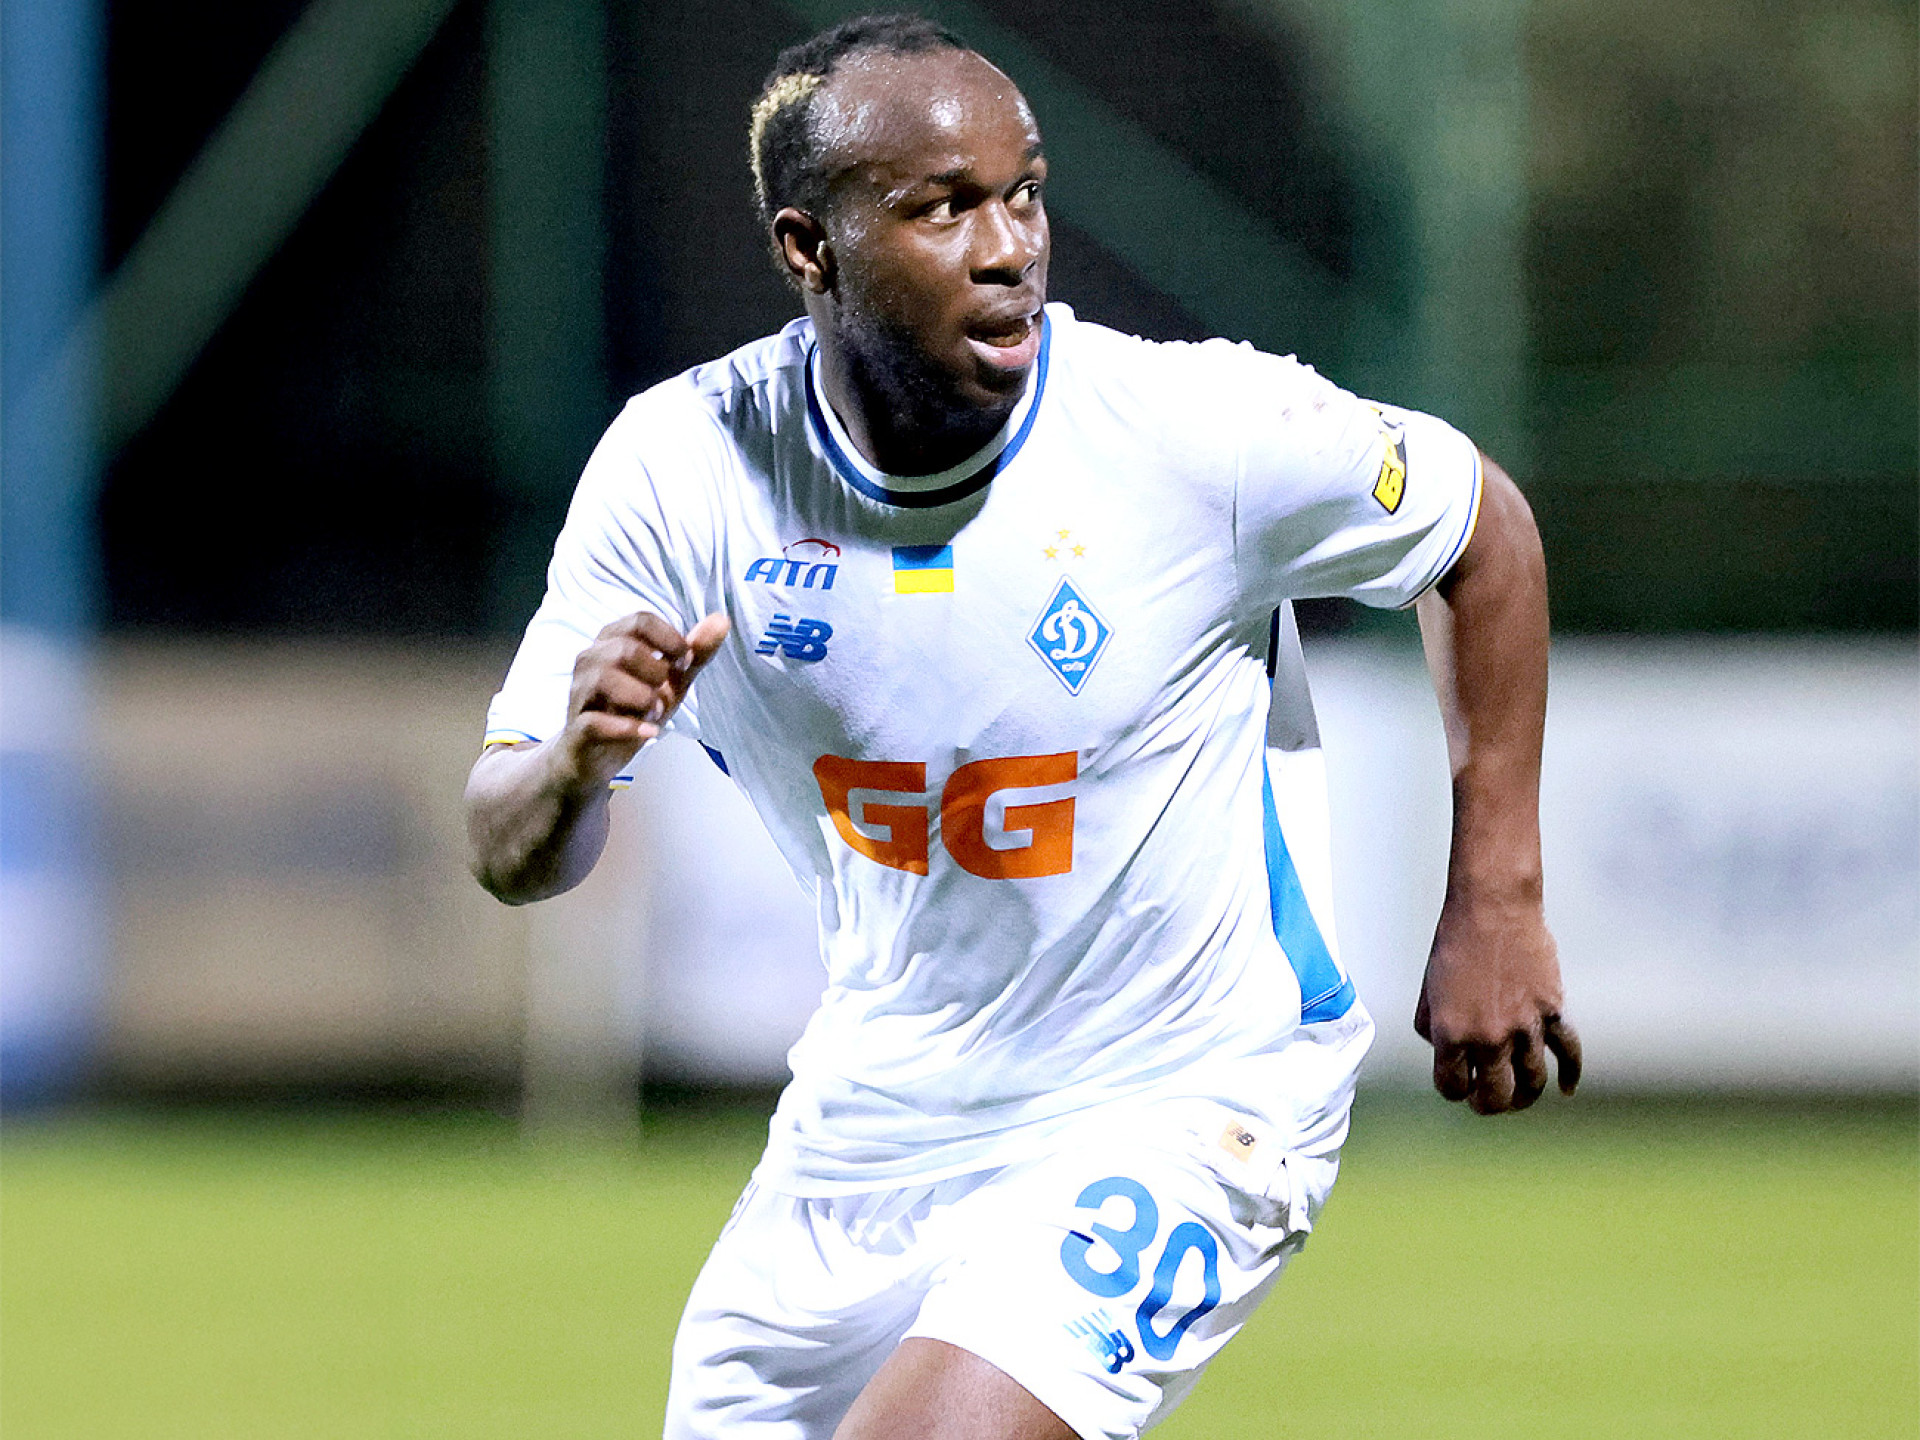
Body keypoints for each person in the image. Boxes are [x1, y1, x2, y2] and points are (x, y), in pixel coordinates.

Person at [465, 14, 1580, 1438]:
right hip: (868, 1132)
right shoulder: (685, 472)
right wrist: (574, 766)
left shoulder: (1192, 431)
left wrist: (1499, 897)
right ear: (810, 249)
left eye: (1025, 194)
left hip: (1184, 1094)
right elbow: (509, 848)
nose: (1009, 249)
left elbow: (1483, 527)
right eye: (942, 208)